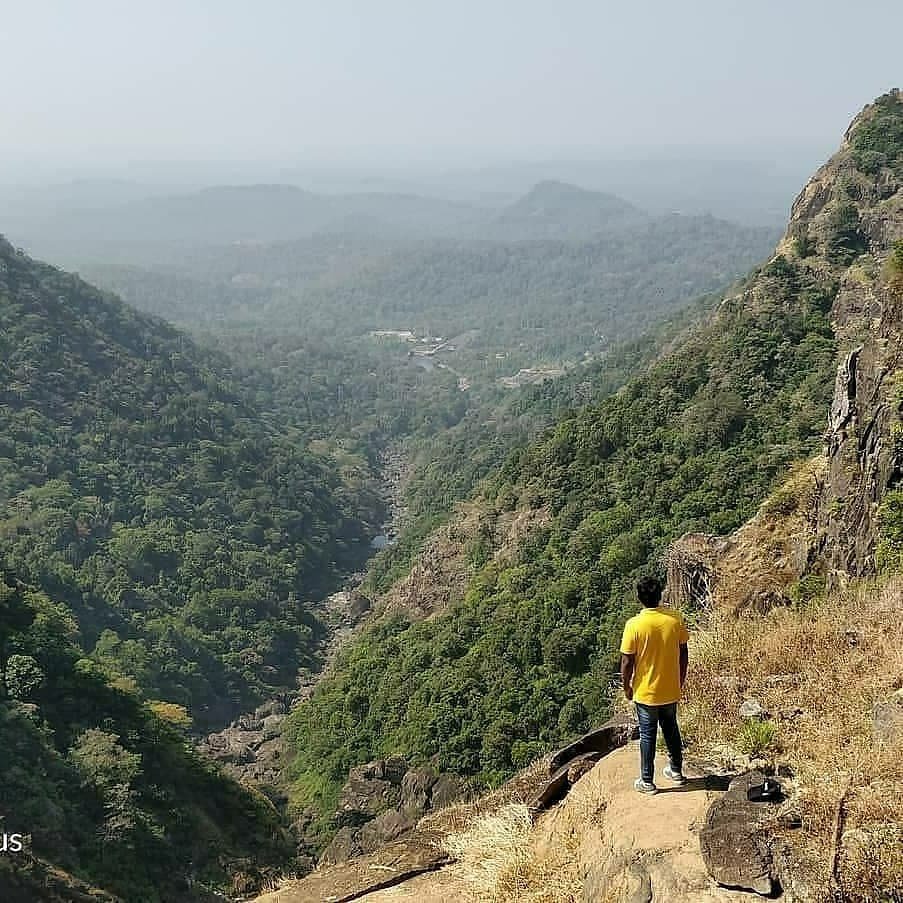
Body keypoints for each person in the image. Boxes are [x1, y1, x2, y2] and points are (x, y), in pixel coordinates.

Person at [619, 575, 689, 793]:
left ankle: (647, 781)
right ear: (660, 595)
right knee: (671, 728)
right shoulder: (675, 619)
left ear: (639, 597)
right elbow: (683, 653)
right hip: (670, 687)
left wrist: (627, 687)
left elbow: (627, 662)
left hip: (646, 691)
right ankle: (676, 771)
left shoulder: (634, 625)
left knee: (648, 734)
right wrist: (680, 679)